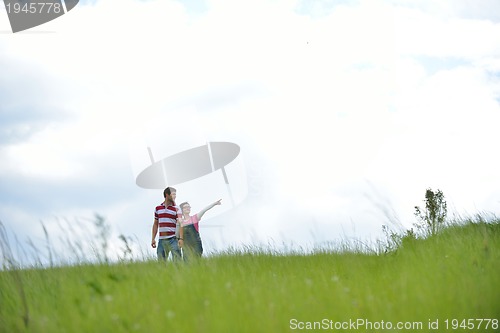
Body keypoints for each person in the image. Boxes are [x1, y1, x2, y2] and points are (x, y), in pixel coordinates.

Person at [151, 187, 184, 261]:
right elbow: (155, 224)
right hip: (162, 241)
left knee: (177, 262)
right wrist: (153, 238)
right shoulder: (158, 208)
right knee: (161, 263)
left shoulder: (177, 208)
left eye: (175, 194)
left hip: (173, 239)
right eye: (173, 194)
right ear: (167, 195)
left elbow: (181, 224)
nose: (175, 196)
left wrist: (181, 239)